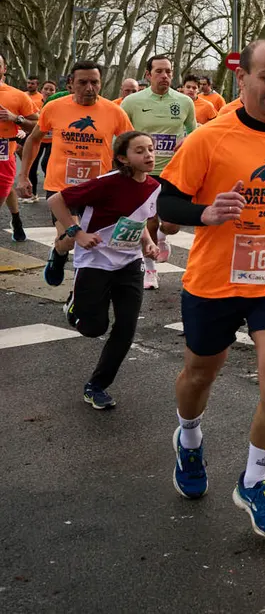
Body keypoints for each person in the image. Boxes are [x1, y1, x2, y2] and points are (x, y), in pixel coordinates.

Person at [157, 39, 265, 537]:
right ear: (242, 78)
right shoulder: (209, 137)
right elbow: (167, 203)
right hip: (215, 280)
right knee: (199, 375)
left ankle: (254, 482)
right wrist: (206, 213)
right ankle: (188, 440)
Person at [47, 131, 160, 409]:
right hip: (95, 261)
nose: (148, 155)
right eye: (140, 151)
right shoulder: (107, 183)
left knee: (126, 328)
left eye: (150, 149)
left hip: (129, 264)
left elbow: (139, 221)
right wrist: (77, 233)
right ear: (123, 158)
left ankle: (96, 386)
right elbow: (55, 200)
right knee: (94, 328)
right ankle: (74, 304)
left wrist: (147, 244)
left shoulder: (153, 186)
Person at [19, 61, 133, 287]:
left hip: (97, 188)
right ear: (71, 83)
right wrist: (23, 176)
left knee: (93, 243)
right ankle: (59, 254)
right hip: (61, 187)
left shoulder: (114, 112)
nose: (89, 88)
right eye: (83, 82)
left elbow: (131, 145)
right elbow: (34, 139)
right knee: (71, 237)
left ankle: (80, 292)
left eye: (95, 82)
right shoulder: (54, 107)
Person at [120, 54, 198, 290]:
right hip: (144, 172)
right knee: (150, 221)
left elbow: (194, 132)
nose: (165, 76)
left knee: (172, 225)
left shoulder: (184, 102)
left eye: (168, 71)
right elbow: (121, 135)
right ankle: (150, 269)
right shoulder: (132, 102)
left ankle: (163, 237)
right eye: (159, 71)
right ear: (148, 75)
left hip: (173, 171)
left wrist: (187, 140)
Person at [0, 54, 39, 241]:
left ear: (4, 69)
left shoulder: (17, 95)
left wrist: (15, 119)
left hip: (4, 151)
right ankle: (16, 219)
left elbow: (37, 125)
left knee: (4, 188)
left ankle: (16, 219)